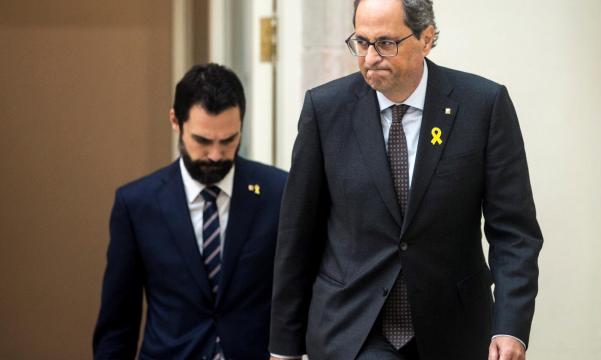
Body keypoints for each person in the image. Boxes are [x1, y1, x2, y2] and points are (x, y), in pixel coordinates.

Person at [269, 0, 543, 359]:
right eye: (361, 43)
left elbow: (514, 232)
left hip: (453, 329)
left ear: (426, 38)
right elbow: (298, 234)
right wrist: (284, 348)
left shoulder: (483, 106)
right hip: (353, 330)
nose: (369, 58)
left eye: (385, 43)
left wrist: (510, 327)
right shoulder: (326, 110)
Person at [94, 63, 287, 360]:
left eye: (228, 140)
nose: (215, 155)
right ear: (175, 121)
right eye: (202, 140)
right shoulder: (136, 204)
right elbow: (118, 323)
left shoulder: (278, 192)